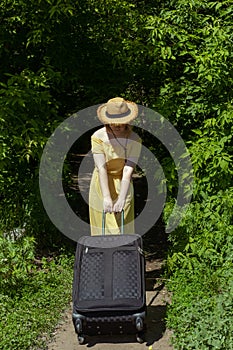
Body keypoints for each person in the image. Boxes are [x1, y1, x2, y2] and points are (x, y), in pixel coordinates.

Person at [89, 97, 142, 235]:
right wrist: (106, 197)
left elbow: (128, 169)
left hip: (123, 182)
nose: (117, 126)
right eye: (113, 123)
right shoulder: (98, 137)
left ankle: (124, 255)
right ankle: (102, 255)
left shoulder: (135, 139)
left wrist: (122, 197)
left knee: (123, 222)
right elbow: (102, 168)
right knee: (104, 224)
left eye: (121, 123)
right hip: (102, 182)